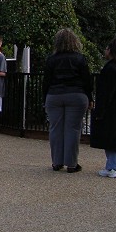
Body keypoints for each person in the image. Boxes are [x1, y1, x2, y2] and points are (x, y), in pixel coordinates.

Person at [42, 28, 93, 172]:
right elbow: (87, 80)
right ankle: (71, 163)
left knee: (55, 129)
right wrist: (90, 97)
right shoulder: (79, 58)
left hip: (54, 94)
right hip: (76, 94)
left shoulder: (52, 59)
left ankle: (57, 162)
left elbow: (46, 81)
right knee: (73, 129)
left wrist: (44, 98)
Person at [90, 37, 116, 178]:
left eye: (106, 49)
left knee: (109, 137)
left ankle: (112, 167)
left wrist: (100, 110)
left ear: (110, 50)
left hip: (109, 108)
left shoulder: (109, 68)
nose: (105, 51)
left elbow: (106, 93)